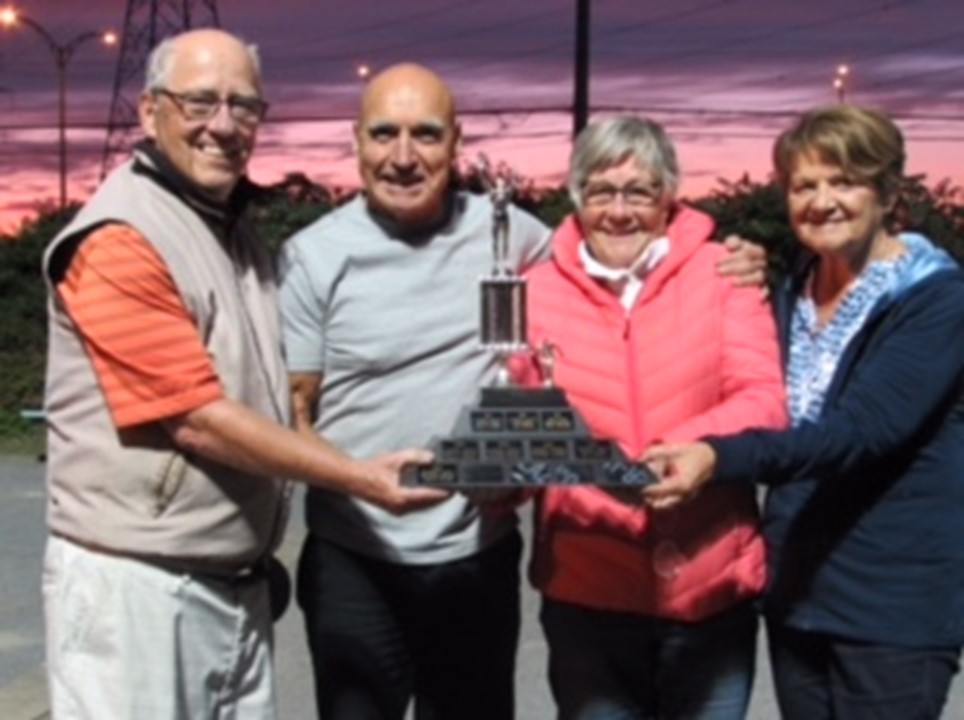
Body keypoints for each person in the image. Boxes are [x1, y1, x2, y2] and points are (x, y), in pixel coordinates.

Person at [279, 63, 770, 719]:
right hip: (355, 551)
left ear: (456, 141)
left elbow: (611, 266)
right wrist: (360, 480)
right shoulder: (313, 255)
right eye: (383, 133)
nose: (403, 156)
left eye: (425, 134)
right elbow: (292, 414)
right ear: (357, 141)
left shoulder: (518, 236)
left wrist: (742, 257)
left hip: (476, 553)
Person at [41, 30, 443, 720]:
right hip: (137, 591)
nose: (222, 125)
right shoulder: (120, 238)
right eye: (199, 101)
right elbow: (195, 418)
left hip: (230, 586)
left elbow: (278, 403)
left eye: (243, 106)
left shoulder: (233, 236)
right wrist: (361, 478)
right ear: (148, 111)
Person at [644, 105, 964, 720]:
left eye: (843, 181)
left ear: (888, 192)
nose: (822, 201)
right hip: (799, 594)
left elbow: (860, 433)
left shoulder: (934, 298)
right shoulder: (795, 284)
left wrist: (718, 456)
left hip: (893, 606)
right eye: (803, 185)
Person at [514, 115, 787, 720]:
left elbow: (764, 397)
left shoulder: (724, 274)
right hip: (589, 591)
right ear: (578, 197)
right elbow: (522, 417)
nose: (620, 211)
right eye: (602, 191)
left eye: (638, 192)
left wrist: (681, 451)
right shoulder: (532, 291)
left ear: (668, 198)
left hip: (710, 590)